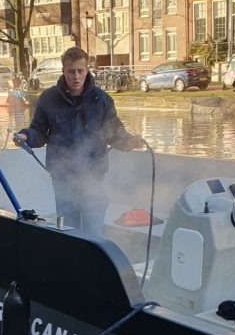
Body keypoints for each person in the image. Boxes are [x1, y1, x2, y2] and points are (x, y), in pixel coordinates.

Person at [13, 46, 145, 235]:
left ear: (87, 70)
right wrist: (26, 136)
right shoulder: (48, 99)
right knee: (69, 234)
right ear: (63, 71)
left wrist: (130, 142)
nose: (76, 76)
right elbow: (39, 131)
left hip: (93, 178)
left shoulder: (101, 100)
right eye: (71, 71)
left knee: (93, 234)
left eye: (80, 71)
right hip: (62, 179)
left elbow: (114, 133)